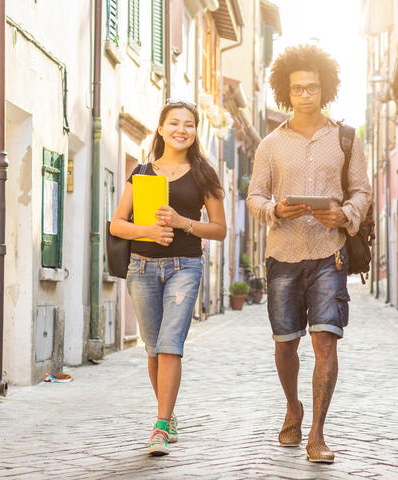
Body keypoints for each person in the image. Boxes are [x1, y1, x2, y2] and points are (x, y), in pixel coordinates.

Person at [246, 44, 372, 463]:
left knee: (326, 344)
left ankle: (317, 432)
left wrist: (345, 214)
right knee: (285, 344)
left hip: (328, 255)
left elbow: (362, 192)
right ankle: (292, 407)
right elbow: (254, 196)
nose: (305, 95)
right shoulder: (269, 144)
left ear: (325, 89)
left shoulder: (345, 139)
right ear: (286, 91)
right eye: (297, 88)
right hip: (282, 255)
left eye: (312, 87)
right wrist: (274, 210)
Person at [110, 100, 226, 456]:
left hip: (185, 267)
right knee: (153, 348)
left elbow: (219, 229)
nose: (181, 130)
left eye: (188, 124)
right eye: (174, 123)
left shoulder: (204, 174)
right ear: (160, 128)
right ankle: (168, 413)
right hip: (142, 267)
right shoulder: (143, 172)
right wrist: (147, 230)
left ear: (195, 132)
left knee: (170, 343)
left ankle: (159, 427)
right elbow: (117, 223)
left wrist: (182, 223)